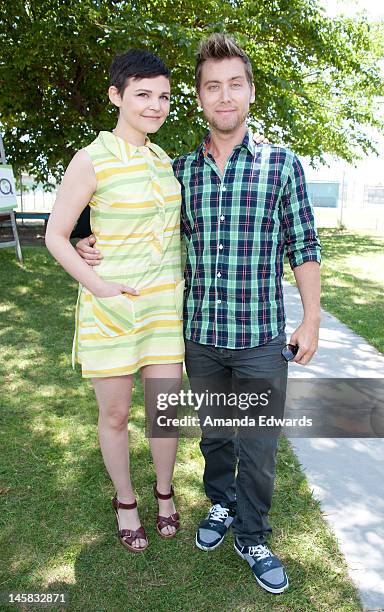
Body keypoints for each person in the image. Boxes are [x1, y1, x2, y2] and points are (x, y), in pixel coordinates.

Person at [77, 34, 321, 594]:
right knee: (215, 437)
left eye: (235, 84)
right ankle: (218, 506)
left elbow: (303, 244)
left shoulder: (282, 164)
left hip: (261, 338)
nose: (225, 95)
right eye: (213, 86)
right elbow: (137, 216)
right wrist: (88, 238)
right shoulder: (180, 169)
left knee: (257, 448)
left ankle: (253, 533)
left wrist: (310, 319)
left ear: (250, 93)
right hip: (201, 338)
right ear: (201, 97)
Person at [45, 49, 186, 553]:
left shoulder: (163, 159)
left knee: (163, 412)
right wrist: (97, 283)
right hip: (111, 307)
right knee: (116, 415)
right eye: (143, 95)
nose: (154, 105)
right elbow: (56, 234)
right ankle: (126, 500)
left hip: (163, 309)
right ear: (117, 95)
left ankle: (165, 493)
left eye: (163, 96)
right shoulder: (92, 157)